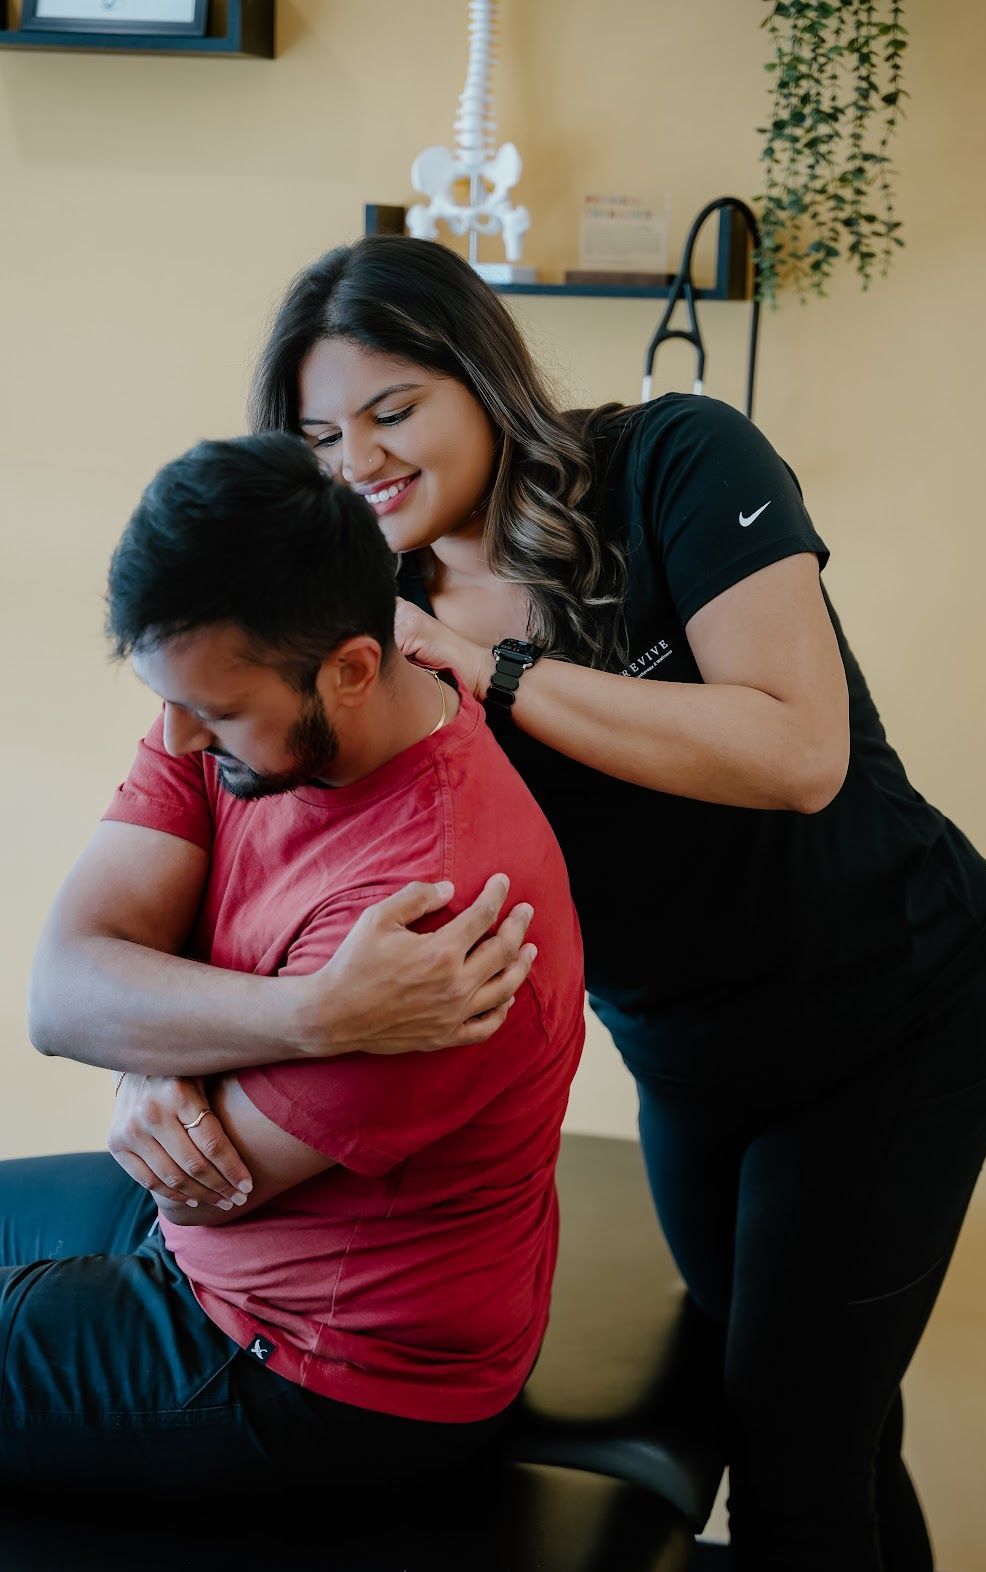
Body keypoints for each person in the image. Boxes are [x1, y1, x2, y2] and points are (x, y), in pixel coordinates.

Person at [40, 237, 986, 1572]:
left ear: (481, 378)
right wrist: (152, 1055)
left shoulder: (670, 462)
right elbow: (244, 859)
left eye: (393, 411)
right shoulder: (359, 616)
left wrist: (493, 670)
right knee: (827, 1402)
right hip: (688, 1046)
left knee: (793, 1456)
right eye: (322, 434)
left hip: (893, 1010)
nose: (362, 460)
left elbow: (797, 754)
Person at [14, 430, 585, 1499]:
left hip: (322, 1366)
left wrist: (148, 1022)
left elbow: (203, 1189)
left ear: (352, 670)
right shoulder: (223, 699)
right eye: (168, 700)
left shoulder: (438, 914)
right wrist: (312, 1013)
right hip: (204, 1253)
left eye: (216, 714)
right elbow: (63, 992)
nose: (176, 739)